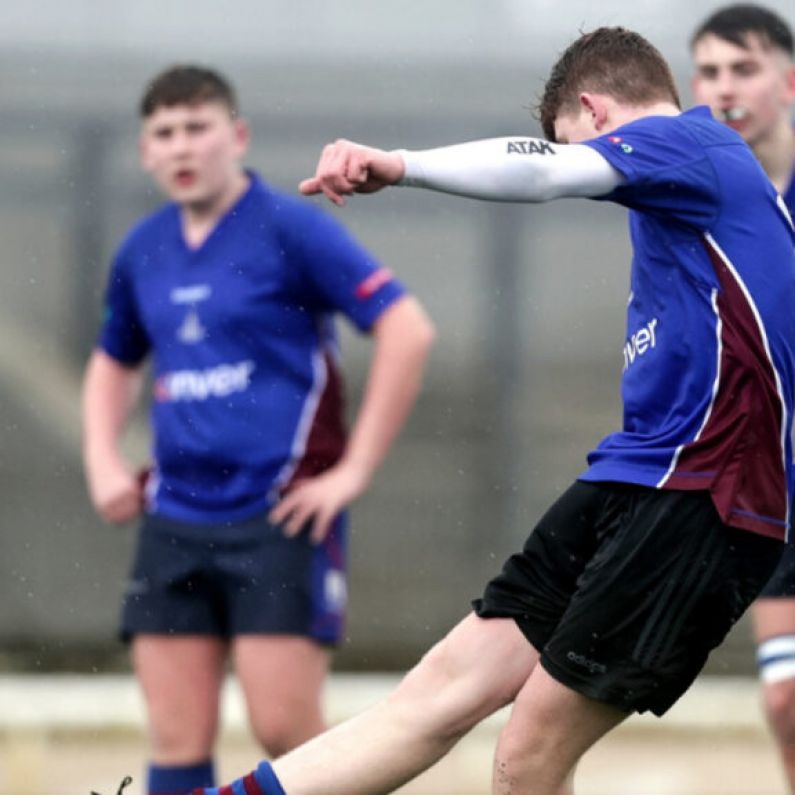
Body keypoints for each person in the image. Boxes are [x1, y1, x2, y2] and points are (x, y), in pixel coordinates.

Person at [194, 26, 795, 795]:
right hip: (636, 476)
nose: (589, 173)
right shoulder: (686, 216)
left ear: (594, 109)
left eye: (578, 143)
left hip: (701, 500)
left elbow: (545, 174)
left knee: (526, 752)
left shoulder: (688, 145)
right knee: (436, 692)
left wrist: (399, 165)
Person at [81, 65, 435, 795]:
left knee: (287, 735)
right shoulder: (142, 249)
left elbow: (406, 329)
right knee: (176, 736)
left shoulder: (290, 227)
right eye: (164, 134)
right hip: (172, 514)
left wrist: (354, 469)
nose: (182, 147)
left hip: (279, 514)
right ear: (145, 151)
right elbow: (112, 364)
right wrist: (101, 459)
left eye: (197, 128)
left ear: (235, 136)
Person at [691, 4, 795, 788]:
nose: (725, 88)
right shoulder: (697, 197)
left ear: (787, 81)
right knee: (788, 697)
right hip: (773, 481)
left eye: (743, 69)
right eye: (709, 71)